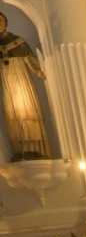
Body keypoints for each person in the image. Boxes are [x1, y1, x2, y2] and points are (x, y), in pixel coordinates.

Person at [0, 10, 49, 161]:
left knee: (27, 110)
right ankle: (20, 149)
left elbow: (30, 59)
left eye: (0, 21)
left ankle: (34, 148)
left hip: (20, 78)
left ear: (5, 23)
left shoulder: (18, 41)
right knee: (12, 114)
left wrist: (39, 71)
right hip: (6, 82)